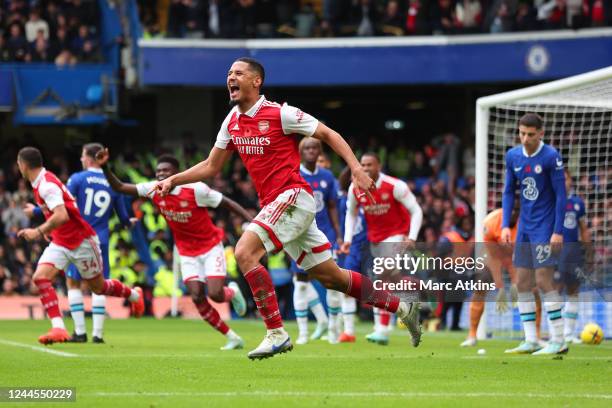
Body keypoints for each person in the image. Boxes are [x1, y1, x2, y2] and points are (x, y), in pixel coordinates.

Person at [151, 57, 422, 360]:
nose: (231, 77)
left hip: (293, 197)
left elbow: (328, 133)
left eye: (238, 73)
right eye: (229, 73)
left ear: (256, 81)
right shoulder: (232, 121)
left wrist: (356, 168)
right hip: (279, 205)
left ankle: (276, 333)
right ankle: (403, 306)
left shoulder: (281, 113)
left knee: (244, 252)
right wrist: (174, 180)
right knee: (333, 277)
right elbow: (212, 166)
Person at [98, 152, 249, 350]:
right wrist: (105, 167)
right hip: (186, 251)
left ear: (177, 173)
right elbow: (119, 187)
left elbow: (227, 203)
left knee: (215, 294)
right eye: (158, 171)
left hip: (211, 246)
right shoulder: (153, 189)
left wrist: (250, 222)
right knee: (196, 295)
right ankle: (232, 337)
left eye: (166, 171)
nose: (161, 174)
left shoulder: (196, 190)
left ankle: (231, 292)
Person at [16, 147, 144, 345]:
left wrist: (39, 231)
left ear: (23, 165)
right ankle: (59, 328)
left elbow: (62, 214)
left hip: (83, 241)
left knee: (99, 287)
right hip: (62, 240)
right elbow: (67, 207)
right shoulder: (44, 181)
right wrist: (52, 230)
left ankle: (134, 295)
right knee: (40, 278)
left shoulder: (49, 184)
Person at [502, 113, 567, 355]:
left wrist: (557, 231)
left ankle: (559, 340)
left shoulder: (551, 156)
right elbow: (509, 192)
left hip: (545, 226)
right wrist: (506, 225)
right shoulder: (513, 156)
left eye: (530, 134)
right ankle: (531, 339)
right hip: (525, 227)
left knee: (543, 280)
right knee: (523, 283)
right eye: (522, 133)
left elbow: (561, 196)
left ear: (541, 133)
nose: (525, 138)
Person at [342, 152, 423, 346]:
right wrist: (347, 239)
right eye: (363, 164)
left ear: (379, 166)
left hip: (397, 236)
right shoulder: (355, 187)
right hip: (375, 240)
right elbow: (351, 214)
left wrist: (412, 236)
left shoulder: (395, 186)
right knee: (388, 280)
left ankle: (382, 330)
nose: (366, 168)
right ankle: (413, 292)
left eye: (370, 164)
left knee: (381, 277)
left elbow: (416, 210)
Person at [460, 205, 543, 347]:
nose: (513, 215)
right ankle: (472, 335)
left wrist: (516, 283)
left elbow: (521, 257)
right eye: (510, 211)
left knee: (533, 289)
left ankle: (536, 335)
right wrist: (501, 288)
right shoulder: (490, 222)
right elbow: (493, 258)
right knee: (481, 284)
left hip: (517, 257)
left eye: (516, 212)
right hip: (493, 256)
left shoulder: (527, 225)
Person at [292, 137, 343, 345]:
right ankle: (303, 332)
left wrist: (338, 234)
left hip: (326, 235)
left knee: (332, 282)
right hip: (300, 235)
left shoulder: (328, 177)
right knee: (301, 284)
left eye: (314, 147)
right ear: (301, 152)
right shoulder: (293, 174)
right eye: (307, 148)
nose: (311, 151)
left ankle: (332, 329)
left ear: (319, 151)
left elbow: (332, 206)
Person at [559, 169, 592, 344]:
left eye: (566, 178)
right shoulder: (551, 200)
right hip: (555, 250)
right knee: (554, 289)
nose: (564, 181)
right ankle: (555, 333)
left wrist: (589, 253)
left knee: (573, 291)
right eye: (561, 178)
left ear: (571, 180)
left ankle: (568, 334)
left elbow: (584, 229)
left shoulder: (577, 202)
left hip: (573, 251)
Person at [336, 167, 369, 343]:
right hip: (353, 244)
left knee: (381, 282)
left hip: (373, 242)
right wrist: (342, 239)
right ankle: (348, 331)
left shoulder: (376, 192)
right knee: (346, 284)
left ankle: (382, 327)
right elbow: (344, 219)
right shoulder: (344, 196)